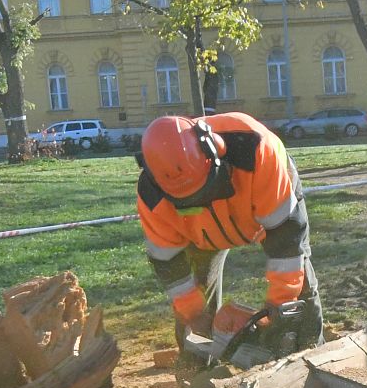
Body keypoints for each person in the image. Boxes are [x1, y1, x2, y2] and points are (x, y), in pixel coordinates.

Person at [135, 111, 323, 355]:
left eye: (207, 191)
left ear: (216, 151)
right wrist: (194, 314)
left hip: (262, 207)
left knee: (298, 289)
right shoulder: (152, 197)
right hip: (201, 235)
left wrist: (280, 304)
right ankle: (197, 376)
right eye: (191, 203)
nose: (204, 202)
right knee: (192, 306)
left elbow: (286, 240)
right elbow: (169, 263)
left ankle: (312, 356)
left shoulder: (257, 152)